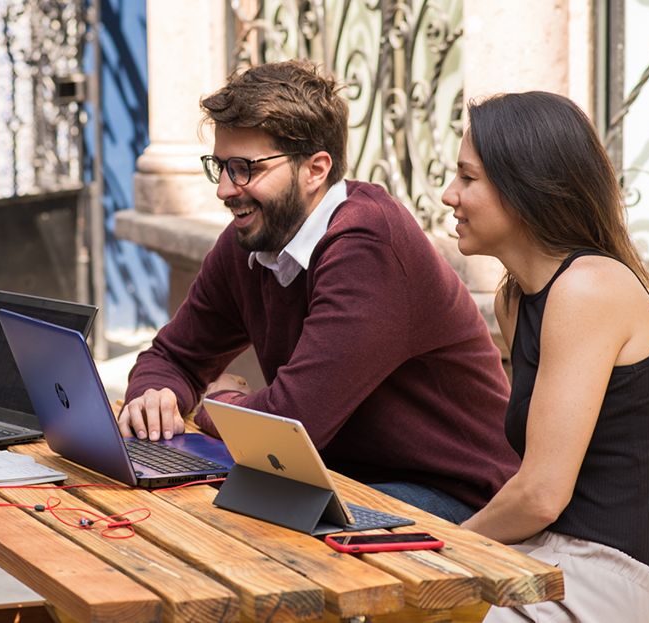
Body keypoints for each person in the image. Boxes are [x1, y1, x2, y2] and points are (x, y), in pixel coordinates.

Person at [117, 59, 520, 523]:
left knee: (232, 530)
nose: (226, 190)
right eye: (220, 167)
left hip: (452, 494)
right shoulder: (252, 239)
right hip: (339, 479)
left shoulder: (368, 244)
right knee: (166, 515)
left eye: (245, 168)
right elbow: (171, 357)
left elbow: (288, 424)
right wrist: (153, 396)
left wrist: (216, 403)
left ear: (315, 169)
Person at [443, 91, 649, 621]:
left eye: (467, 177)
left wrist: (443, 548)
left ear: (523, 188)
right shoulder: (517, 298)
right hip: (543, 555)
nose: (447, 194)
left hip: (611, 575)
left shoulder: (587, 289)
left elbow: (539, 494)